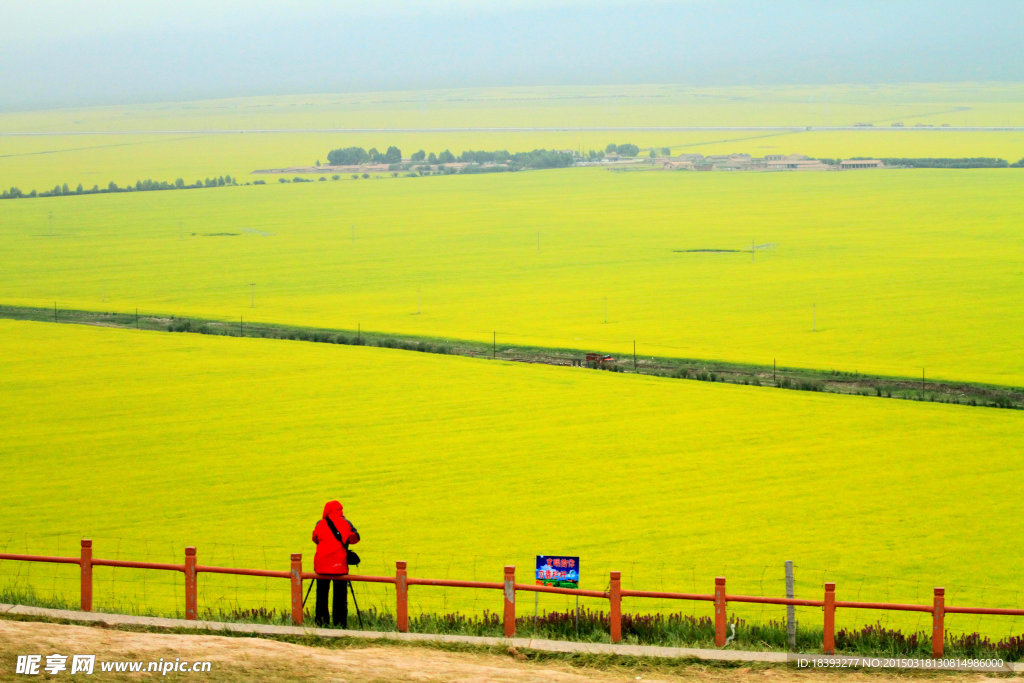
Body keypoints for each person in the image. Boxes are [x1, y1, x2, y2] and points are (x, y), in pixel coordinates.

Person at [311, 500, 360, 627]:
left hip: (322, 566)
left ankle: (321, 623)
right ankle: (340, 624)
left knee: (321, 595)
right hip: (340, 566)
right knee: (340, 597)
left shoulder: (319, 523)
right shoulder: (346, 523)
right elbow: (356, 538)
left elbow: (315, 538)